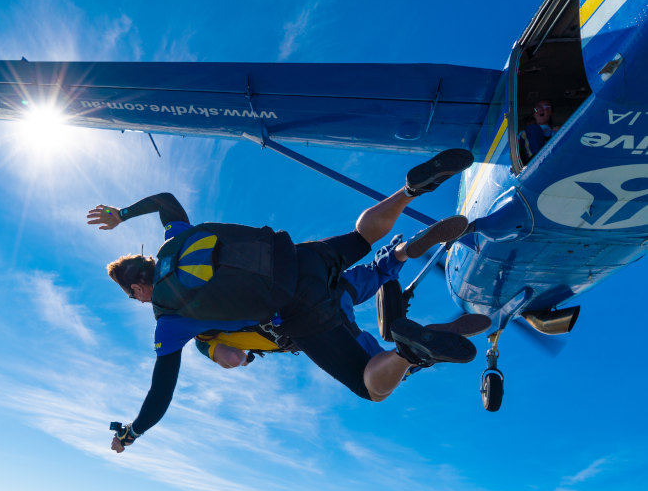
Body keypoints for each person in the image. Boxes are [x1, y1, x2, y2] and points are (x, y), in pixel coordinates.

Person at [88, 149, 479, 453]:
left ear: (138, 289)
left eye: (132, 296)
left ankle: (409, 353)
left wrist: (132, 432)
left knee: (371, 385)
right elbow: (166, 198)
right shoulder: (175, 237)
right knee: (361, 240)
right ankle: (408, 192)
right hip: (301, 256)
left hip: (300, 311)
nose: (138, 301)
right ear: (147, 261)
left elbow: (161, 394)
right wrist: (121, 214)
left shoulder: (169, 322)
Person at [194, 235, 491, 370]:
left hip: (318, 323)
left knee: (377, 370)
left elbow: (231, 358)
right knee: (377, 273)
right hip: (320, 282)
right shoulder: (224, 291)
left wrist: (240, 359)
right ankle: (400, 251)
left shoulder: (201, 335)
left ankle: (414, 352)